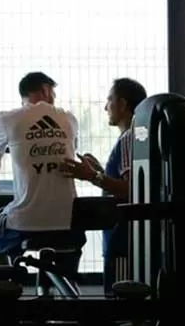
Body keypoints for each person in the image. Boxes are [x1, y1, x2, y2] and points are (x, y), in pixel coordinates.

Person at [0, 71, 84, 268]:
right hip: (69, 225)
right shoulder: (69, 119)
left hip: (24, 225)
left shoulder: (7, 119)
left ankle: (3, 287)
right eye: (53, 93)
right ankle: (66, 285)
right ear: (45, 89)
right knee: (67, 248)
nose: (54, 98)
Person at [62, 77, 147, 289]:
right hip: (129, 237)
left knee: (120, 302)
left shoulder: (130, 138)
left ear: (123, 104)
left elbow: (132, 189)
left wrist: (92, 176)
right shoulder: (140, 136)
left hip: (123, 239)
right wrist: (100, 171)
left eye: (110, 100)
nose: (105, 107)